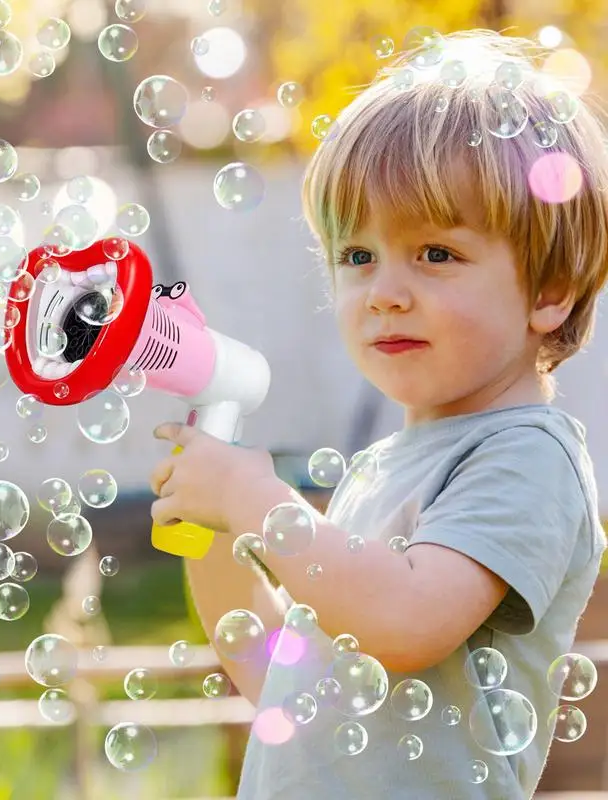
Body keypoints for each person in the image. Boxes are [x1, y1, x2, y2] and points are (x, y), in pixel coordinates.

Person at [150, 27, 608, 799]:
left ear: (548, 290)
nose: (384, 291)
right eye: (357, 257)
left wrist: (255, 500)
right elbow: (272, 673)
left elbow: (405, 620)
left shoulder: (527, 455)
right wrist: (217, 531)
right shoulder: (382, 470)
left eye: (435, 253)